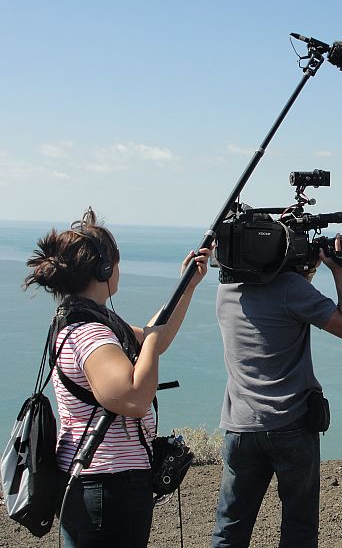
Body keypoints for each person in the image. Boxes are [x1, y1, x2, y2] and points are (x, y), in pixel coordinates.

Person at [22, 208, 211, 548]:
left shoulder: (90, 321)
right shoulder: (91, 335)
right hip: (108, 486)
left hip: (97, 485)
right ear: (104, 268)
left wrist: (187, 286)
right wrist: (151, 339)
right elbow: (133, 399)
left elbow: (156, 338)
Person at [211, 233, 342, 548]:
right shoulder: (292, 291)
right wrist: (339, 271)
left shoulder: (226, 293)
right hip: (290, 426)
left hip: (240, 429)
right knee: (298, 529)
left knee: (229, 530)